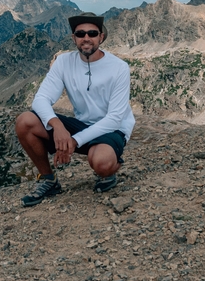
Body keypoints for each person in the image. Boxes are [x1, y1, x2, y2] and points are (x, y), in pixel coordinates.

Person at [15, 13, 136, 207]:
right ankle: (48, 180)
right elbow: (40, 100)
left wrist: (73, 140)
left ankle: (112, 164)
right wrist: (57, 127)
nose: (86, 38)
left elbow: (114, 118)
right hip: (81, 125)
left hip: (112, 129)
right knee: (25, 122)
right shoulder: (63, 62)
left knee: (101, 164)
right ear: (73, 38)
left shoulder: (119, 68)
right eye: (80, 33)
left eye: (92, 33)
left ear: (101, 37)